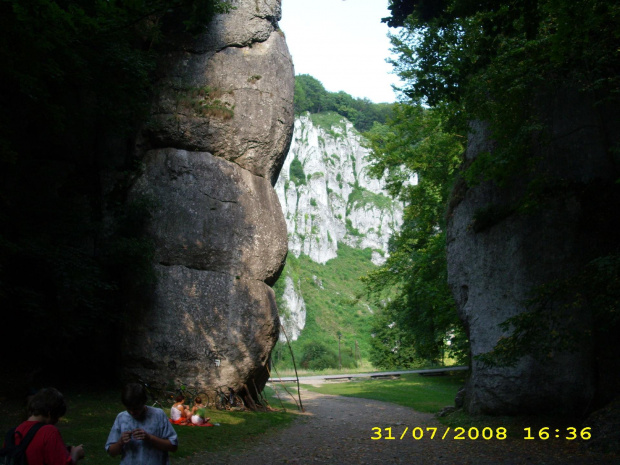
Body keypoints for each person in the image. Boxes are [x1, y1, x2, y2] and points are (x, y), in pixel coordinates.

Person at [105, 383, 178, 464]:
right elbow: (111, 452)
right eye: (129, 408)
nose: (132, 412)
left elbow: (173, 446)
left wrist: (149, 438)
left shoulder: (158, 415)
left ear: (144, 402)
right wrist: (120, 442)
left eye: (136, 408)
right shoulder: (121, 418)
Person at [9, 387, 85, 464]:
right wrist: (75, 454)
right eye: (57, 417)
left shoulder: (13, 433)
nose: (56, 421)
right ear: (50, 414)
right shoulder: (49, 432)